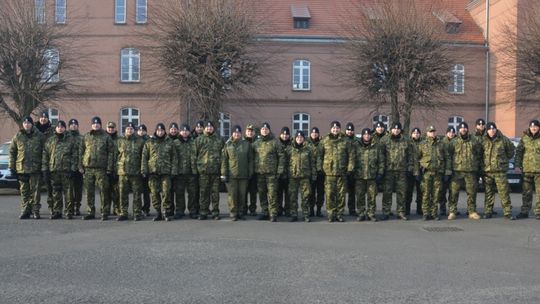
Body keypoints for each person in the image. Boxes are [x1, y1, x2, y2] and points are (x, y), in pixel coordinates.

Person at [9, 116, 45, 219]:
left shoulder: (40, 136)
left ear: (32, 124)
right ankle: (25, 210)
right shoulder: (18, 136)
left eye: (28, 123)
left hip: (36, 168)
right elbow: (12, 152)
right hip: (22, 169)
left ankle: (35, 211)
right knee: (24, 191)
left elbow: (45, 152)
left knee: (35, 192)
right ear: (23, 124)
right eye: (25, 123)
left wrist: (44, 167)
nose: (26, 125)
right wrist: (12, 167)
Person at [79, 116, 114, 220]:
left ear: (100, 124)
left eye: (98, 123)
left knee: (104, 191)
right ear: (91, 125)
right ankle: (90, 212)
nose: (96, 125)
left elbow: (111, 153)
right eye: (94, 123)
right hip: (88, 168)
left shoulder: (106, 137)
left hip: (101, 169)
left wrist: (109, 168)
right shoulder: (86, 136)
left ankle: (105, 212)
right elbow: (81, 152)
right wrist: (80, 166)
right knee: (89, 191)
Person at [42, 120, 78, 219]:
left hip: (67, 171)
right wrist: (45, 170)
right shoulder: (50, 140)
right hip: (54, 171)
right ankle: (57, 211)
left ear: (65, 128)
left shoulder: (71, 140)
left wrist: (73, 169)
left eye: (62, 127)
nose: (60, 128)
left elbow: (75, 155)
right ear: (56, 128)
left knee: (68, 193)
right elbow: (45, 156)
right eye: (58, 127)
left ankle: (69, 212)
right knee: (56, 192)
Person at [141, 123, 178, 221]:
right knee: (154, 193)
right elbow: (144, 157)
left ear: (164, 131)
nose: (160, 132)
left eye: (162, 130)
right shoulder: (149, 142)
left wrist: (174, 171)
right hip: (153, 172)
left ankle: (166, 211)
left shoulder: (169, 142)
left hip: (166, 172)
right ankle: (158, 212)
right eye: (158, 130)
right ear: (156, 131)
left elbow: (174, 157)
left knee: (166, 192)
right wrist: (144, 170)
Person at [447, 122, 482, 220]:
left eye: (465, 128)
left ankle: (471, 211)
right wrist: (449, 169)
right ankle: (452, 211)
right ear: (459, 130)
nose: (463, 130)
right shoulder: (454, 142)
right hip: (457, 171)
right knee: (454, 192)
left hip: (470, 171)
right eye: (461, 128)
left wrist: (477, 167)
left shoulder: (474, 141)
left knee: (472, 192)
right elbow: (449, 156)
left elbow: (479, 154)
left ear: (467, 129)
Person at [320, 121, 354, 222]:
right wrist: (321, 168)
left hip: (341, 172)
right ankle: (331, 214)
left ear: (340, 129)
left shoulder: (345, 141)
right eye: (333, 128)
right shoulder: (325, 140)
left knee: (341, 195)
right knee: (329, 194)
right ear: (331, 129)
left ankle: (339, 214)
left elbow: (351, 155)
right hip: (329, 173)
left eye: (337, 128)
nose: (335, 130)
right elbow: (319, 155)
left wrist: (350, 168)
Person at [415, 126, 451, 220]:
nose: (432, 133)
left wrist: (447, 172)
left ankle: (434, 213)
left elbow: (447, 158)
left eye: (434, 131)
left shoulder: (441, 144)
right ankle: (426, 213)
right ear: (427, 133)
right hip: (426, 173)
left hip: (438, 173)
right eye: (430, 132)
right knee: (426, 194)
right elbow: (416, 158)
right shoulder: (422, 144)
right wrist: (417, 172)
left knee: (436, 194)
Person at [481, 122, 515, 220]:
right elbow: (479, 154)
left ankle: (507, 212)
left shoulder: (503, 139)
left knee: (504, 192)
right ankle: (488, 211)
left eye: (493, 129)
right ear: (487, 131)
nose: (492, 131)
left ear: (496, 129)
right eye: (490, 129)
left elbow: (511, 150)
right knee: (489, 192)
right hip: (487, 171)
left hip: (500, 171)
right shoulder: (483, 141)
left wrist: (503, 161)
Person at [381, 122, 414, 220]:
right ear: (391, 129)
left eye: (398, 129)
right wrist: (381, 169)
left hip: (402, 171)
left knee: (402, 193)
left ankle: (401, 212)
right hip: (388, 171)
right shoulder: (384, 140)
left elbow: (411, 155)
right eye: (394, 129)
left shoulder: (406, 140)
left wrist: (410, 168)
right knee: (387, 192)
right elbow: (381, 155)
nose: (396, 130)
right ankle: (386, 211)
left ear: (400, 130)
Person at [252, 122, 285, 222]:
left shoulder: (275, 142)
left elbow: (281, 156)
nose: (264, 131)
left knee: (272, 194)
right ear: (261, 131)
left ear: (269, 130)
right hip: (260, 173)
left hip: (272, 173)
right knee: (262, 193)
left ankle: (273, 213)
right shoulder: (256, 143)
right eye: (263, 129)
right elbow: (251, 157)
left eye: (266, 129)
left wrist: (280, 170)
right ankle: (265, 212)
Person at [221, 125, 254, 221]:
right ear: (232, 133)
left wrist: (250, 172)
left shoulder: (246, 144)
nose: (237, 134)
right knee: (232, 195)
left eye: (238, 132)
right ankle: (233, 213)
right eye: (235, 132)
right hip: (232, 175)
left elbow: (250, 159)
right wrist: (223, 174)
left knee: (242, 195)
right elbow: (224, 160)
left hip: (243, 175)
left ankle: (240, 212)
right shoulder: (228, 145)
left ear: (241, 133)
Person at [192, 121, 223, 220]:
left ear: (213, 128)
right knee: (204, 193)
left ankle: (215, 212)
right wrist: (195, 170)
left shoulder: (219, 140)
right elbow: (193, 156)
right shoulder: (199, 140)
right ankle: (203, 211)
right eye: (207, 127)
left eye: (211, 127)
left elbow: (223, 155)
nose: (209, 129)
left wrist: (222, 169)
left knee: (215, 193)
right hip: (203, 172)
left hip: (215, 171)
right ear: (204, 128)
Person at [352, 128, 384, 222]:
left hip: (372, 176)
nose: (367, 136)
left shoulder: (376, 146)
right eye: (365, 134)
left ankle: (371, 214)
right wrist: (352, 171)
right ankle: (361, 213)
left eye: (369, 134)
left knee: (372, 196)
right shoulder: (356, 146)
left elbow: (381, 161)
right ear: (362, 136)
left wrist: (380, 173)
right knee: (360, 196)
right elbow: (352, 159)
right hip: (359, 176)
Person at [286, 130, 317, 222]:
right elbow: (285, 162)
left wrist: (314, 175)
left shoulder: (308, 149)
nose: (299, 139)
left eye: (301, 137)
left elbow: (312, 163)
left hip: (305, 177)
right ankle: (294, 214)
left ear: (304, 139)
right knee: (292, 196)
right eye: (298, 137)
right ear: (295, 138)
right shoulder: (289, 149)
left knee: (306, 197)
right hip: (293, 177)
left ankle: (306, 214)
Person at [117, 122, 145, 221]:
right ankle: (123, 212)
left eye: (131, 129)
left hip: (136, 172)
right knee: (122, 194)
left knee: (137, 194)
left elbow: (144, 157)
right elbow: (115, 155)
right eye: (128, 129)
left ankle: (137, 213)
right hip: (123, 172)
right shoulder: (120, 141)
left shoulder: (140, 141)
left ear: (134, 130)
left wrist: (143, 169)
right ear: (125, 130)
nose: (129, 130)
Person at [515, 119, 540, 220]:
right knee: (526, 193)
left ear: (538, 127)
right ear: (529, 127)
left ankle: (538, 212)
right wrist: (517, 166)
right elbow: (519, 153)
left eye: (535, 126)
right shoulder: (524, 138)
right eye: (532, 126)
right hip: (526, 170)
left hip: (539, 170)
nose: (533, 128)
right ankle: (524, 211)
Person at [174, 123, 198, 218]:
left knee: (192, 193)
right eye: (183, 130)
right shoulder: (175, 143)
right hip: (180, 172)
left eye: (186, 130)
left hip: (191, 172)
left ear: (189, 132)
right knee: (179, 193)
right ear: (180, 132)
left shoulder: (194, 142)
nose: (184, 132)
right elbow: (173, 157)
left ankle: (192, 211)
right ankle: (180, 211)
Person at [35, 111, 54, 213]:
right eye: (41, 117)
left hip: (49, 163)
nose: (43, 119)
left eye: (45, 117)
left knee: (50, 187)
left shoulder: (52, 130)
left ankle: (52, 207)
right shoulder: (33, 130)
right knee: (35, 188)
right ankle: (35, 209)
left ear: (48, 119)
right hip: (35, 163)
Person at [67, 119, 84, 216]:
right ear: (69, 126)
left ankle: (77, 207)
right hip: (68, 168)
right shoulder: (65, 137)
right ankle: (70, 208)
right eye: (71, 124)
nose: (73, 126)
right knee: (69, 190)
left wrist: (81, 166)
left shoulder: (82, 138)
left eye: (75, 124)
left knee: (78, 190)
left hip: (79, 168)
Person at [405, 127, 422, 216]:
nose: (416, 134)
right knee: (408, 192)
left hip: (420, 171)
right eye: (414, 133)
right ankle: (407, 209)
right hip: (410, 171)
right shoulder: (407, 143)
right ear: (411, 134)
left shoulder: (423, 143)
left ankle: (419, 209)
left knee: (420, 192)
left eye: (418, 133)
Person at [307, 127, 324, 217]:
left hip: (321, 172)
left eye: (316, 133)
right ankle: (311, 210)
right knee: (311, 193)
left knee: (320, 192)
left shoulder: (322, 143)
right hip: (310, 172)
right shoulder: (306, 143)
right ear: (310, 134)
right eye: (313, 133)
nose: (314, 134)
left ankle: (319, 210)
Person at [439, 126, 456, 215]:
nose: (451, 134)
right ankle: (442, 208)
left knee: (453, 191)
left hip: (455, 170)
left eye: (453, 132)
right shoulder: (442, 143)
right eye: (450, 132)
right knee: (442, 191)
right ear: (446, 133)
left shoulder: (457, 142)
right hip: (444, 170)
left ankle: (451, 209)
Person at [105, 121, 120, 216]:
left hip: (116, 169)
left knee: (116, 191)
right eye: (109, 128)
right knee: (106, 191)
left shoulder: (119, 140)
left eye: (112, 128)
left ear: (115, 129)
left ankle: (116, 209)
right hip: (105, 168)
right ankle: (106, 210)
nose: (110, 129)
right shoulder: (103, 138)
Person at [344, 122, 359, 216]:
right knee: (341, 191)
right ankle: (339, 210)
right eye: (348, 130)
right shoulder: (342, 140)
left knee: (352, 191)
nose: (350, 131)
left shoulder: (357, 141)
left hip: (354, 170)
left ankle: (352, 209)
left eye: (351, 130)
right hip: (343, 169)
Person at [137, 124, 152, 216]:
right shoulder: (135, 140)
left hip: (147, 168)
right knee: (138, 191)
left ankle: (146, 208)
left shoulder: (149, 141)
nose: (141, 132)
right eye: (139, 130)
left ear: (146, 131)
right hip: (136, 168)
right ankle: (138, 209)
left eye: (143, 130)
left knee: (146, 191)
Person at [244, 124, 258, 216]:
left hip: (255, 170)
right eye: (248, 131)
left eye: (251, 131)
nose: (250, 132)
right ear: (246, 132)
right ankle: (243, 208)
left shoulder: (258, 142)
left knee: (253, 192)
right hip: (244, 170)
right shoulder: (242, 142)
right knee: (244, 191)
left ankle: (252, 209)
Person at [277, 126, 291, 216]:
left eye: (287, 134)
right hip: (279, 173)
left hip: (289, 173)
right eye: (283, 134)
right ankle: (279, 210)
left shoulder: (292, 144)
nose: (285, 136)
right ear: (280, 134)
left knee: (288, 193)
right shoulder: (276, 144)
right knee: (278, 193)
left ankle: (287, 210)